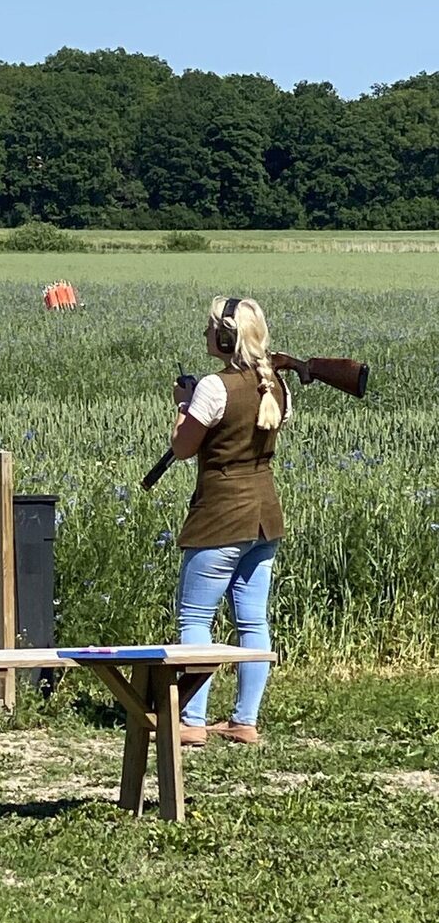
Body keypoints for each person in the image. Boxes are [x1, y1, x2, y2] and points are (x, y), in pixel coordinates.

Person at [169, 296, 292, 747]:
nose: (205, 336)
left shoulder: (213, 387)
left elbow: (184, 448)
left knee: (196, 618)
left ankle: (192, 720)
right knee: (253, 620)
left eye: (209, 329)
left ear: (225, 336)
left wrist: (183, 404)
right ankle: (244, 720)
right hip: (264, 513)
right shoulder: (275, 384)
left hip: (221, 512)